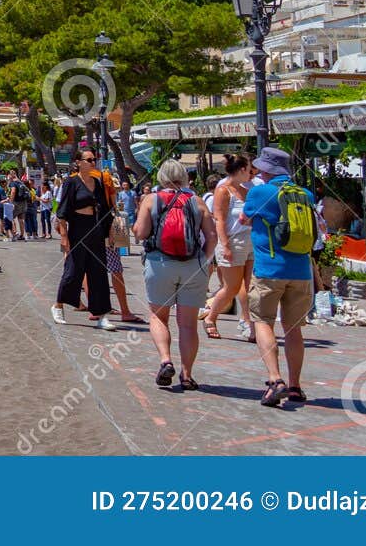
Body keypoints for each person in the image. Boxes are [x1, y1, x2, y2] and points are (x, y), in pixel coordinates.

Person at [241, 146, 316, 407]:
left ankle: (275, 380)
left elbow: (243, 219)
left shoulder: (259, 192)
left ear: (265, 169)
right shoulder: (305, 194)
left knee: (262, 321)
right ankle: (295, 385)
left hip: (269, 270)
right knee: (294, 330)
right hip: (301, 271)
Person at [133, 160, 216, 390]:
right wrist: (204, 262)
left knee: (159, 316)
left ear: (161, 178)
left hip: (160, 264)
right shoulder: (197, 202)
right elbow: (212, 237)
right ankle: (187, 375)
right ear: (184, 178)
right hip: (193, 267)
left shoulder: (151, 200)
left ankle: (165, 360)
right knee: (188, 324)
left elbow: (140, 233)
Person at [54, 151, 118, 330]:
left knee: (98, 271)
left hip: (95, 227)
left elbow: (105, 209)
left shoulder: (97, 183)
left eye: (94, 160)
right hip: (78, 228)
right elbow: (62, 211)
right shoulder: (71, 182)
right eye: (89, 160)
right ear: (79, 162)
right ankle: (58, 305)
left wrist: (110, 231)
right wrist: (64, 236)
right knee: (73, 270)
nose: (93, 162)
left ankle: (101, 315)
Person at [203, 153, 255, 340]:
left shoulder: (246, 191)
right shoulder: (223, 190)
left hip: (250, 241)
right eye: (249, 169)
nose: (251, 172)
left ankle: (249, 323)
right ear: (242, 169)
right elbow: (220, 220)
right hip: (232, 242)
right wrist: (225, 246)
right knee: (231, 287)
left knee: (250, 287)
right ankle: (211, 317)